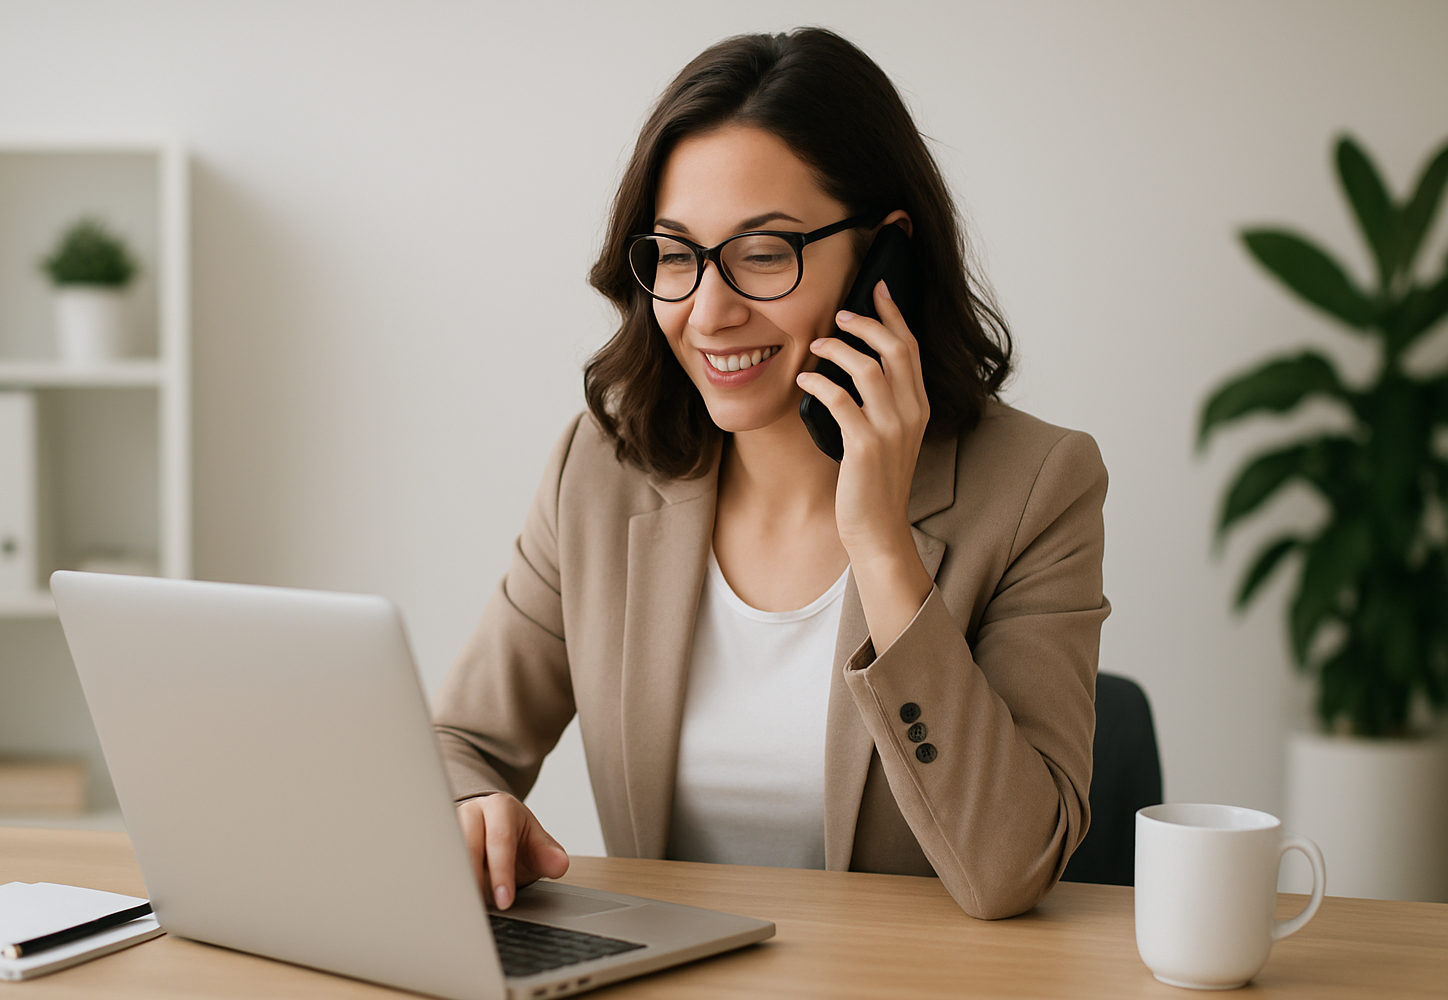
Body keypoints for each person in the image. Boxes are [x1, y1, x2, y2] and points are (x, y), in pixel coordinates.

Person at [432, 27, 1108, 922]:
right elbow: (458, 743)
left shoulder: (1037, 487)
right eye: (677, 255)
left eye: (762, 253)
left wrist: (880, 543)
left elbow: (1013, 868)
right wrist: (471, 809)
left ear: (883, 259)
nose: (708, 312)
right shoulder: (601, 470)